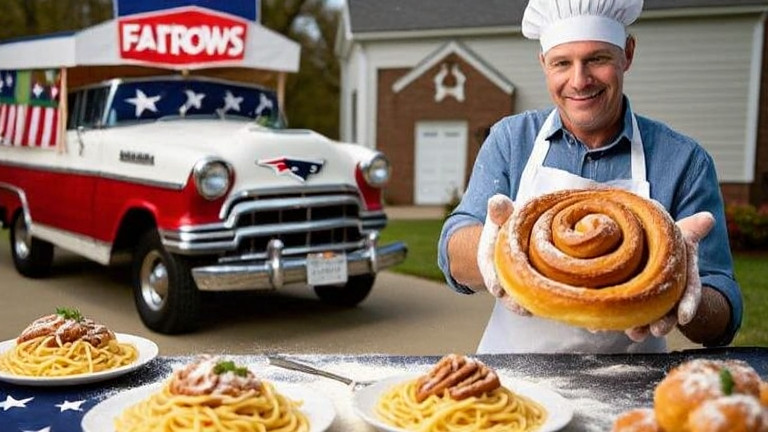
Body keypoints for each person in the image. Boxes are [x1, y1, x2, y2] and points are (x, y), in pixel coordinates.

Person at [437, 0, 742, 354]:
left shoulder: (684, 161)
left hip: (632, 390)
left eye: (597, 59)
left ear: (627, 53)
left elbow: (724, 315)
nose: (579, 81)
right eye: (562, 63)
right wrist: (501, 246)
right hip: (514, 380)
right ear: (543, 65)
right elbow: (452, 256)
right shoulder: (511, 139)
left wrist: (684, 293)